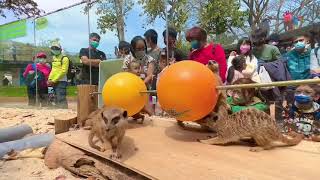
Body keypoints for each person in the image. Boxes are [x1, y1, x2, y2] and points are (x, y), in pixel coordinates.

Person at [48, 42, 69, 109]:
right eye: (53, 48)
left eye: (56, 48)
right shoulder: (54, 58)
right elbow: (53, 70)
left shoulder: (65, 58)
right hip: (52, 81)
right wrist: (50, 79)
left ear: (60, 49)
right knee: (53, 97)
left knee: (61, 98)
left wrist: (54, 80)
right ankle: (56, 112)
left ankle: (64, 112)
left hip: (61, 81)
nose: (54, 50)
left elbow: (63, 71)